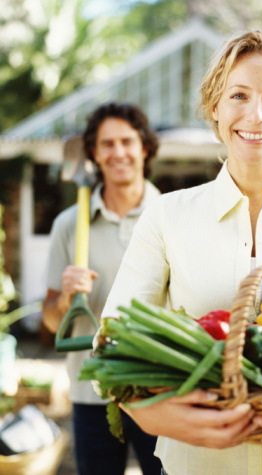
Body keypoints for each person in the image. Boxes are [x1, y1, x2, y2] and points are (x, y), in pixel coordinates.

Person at [99, 30, 262, 475]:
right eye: (238, 95)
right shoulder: (167, 215)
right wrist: (152, 414)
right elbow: (111, 343)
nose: (256, 115)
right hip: (195, 464)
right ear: (214, 108)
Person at [42, 102, 163, 475]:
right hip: (91, 391)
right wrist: (64, 300)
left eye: (127, 141)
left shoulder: (171, 217)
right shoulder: (68, 225)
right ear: (93, 154)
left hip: (158, 389)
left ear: (144, 147)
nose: (118, 153)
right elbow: (49, 322)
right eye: (107, 144)